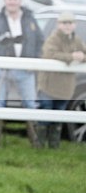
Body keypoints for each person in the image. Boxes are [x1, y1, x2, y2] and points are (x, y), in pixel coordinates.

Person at [0, 0, 44, 148]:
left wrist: (34, 62)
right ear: (5, 1)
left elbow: (39, 41)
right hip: (2, 69)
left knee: (30, 104)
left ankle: (37, 143)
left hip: (25, 70)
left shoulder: (30, 19)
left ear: (20, 1)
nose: (12, 2)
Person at [36, 12, 85, 148]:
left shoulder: (77, 41)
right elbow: (50, 54)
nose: (67, 26)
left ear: (74, 25)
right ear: (59, 25)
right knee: (45, 113)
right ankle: (39, 145)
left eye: (70, 23)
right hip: (49, 85)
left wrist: (81, 56)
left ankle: (54, 146)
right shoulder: (52, 39)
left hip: (65, 87)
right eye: (64, 23)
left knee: (59, 115)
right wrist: (71, 56)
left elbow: (84, 53)